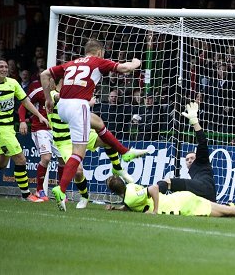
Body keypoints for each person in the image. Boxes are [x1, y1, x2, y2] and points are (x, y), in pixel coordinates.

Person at [40, 38, 147, 211]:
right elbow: (124, 68)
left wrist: (47, 99)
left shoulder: (71, 63)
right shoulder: (97, 61)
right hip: (77, 107)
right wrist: (136, 63)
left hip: (64, 107)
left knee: (98, 123)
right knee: (78, 154)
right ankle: (61, 189)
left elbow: (44, 74)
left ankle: (125, 152)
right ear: (99, 52)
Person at [0, 59, 50, 202]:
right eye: (1, 67)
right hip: (0, 129)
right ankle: (26, 195)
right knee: (21, 159)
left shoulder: (13, 83)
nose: (4, 69)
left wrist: (39, 116)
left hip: (10, 128)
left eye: (6, 66)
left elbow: (25, 102)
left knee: (1, 163)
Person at [48, 80, 133, 209]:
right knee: (78, 171)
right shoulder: (51, 94)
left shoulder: (72, 94)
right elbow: (60, 98)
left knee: (107, 140)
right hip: (65, 141)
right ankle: (84, 196)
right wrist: (86, 102)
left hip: (80, 132)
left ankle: (117, 168)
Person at [105, 175, 235, 220]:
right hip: (181, 199)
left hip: (181, 205)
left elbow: (154, 188)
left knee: (227, 212)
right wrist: (116, 209)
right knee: (224, 209)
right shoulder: (130, 189)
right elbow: (133, 203)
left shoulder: (130, 197)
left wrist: (156, 210)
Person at [157, 102, 217, 202]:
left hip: (205, 187)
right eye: (187, 159)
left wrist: (195, 122)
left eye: (192, 158)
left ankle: (149, 195)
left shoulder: (202, 161)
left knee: (168, 182)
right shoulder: (193, 172)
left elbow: (202, 142)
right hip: (206, 197)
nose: (189, 160)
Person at [18, 78, 64, 201]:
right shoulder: (38, 91)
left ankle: (61, 191)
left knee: (62, 160)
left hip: (57, 129)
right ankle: (39, 190)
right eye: (52, 80)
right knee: (46, 158)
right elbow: (23, 105)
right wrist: (22, 121)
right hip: (40, 128)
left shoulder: (63, 93)